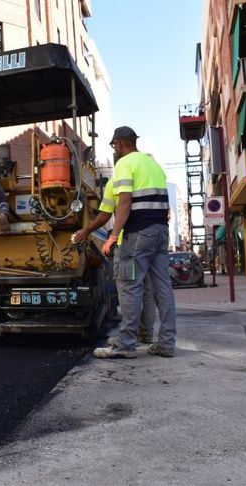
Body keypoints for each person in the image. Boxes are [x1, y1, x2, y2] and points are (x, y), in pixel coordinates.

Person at [92, 126, 177, 358]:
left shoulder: (125, 164)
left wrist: (112, 235)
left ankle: (125, 344)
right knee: (163, 288)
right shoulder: (153, 165)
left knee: (129, 286)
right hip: (160, 233)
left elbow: (124, 202)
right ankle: (167, 344)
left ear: (119, 144)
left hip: (138, 235)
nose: (115, 150)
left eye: (114, 146)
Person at [73, 178, 155, 344]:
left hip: (127, 242)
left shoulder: (117, 181)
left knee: (128, 291)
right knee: (148, 290)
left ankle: (127, 340)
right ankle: (146, 333)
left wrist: (101, 234)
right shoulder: (151, 181)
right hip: (152, 239)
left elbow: (105, 214)